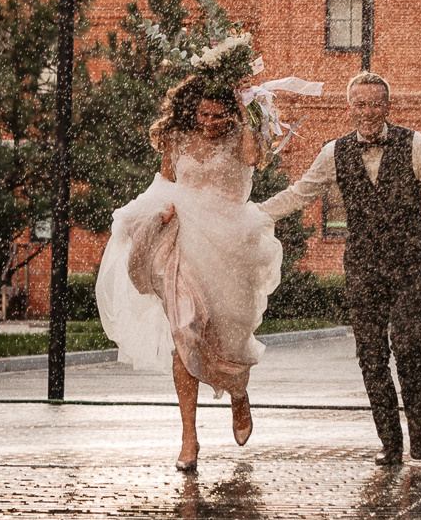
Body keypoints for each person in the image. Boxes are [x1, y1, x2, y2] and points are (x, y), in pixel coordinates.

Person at [257, 71, 421, 464]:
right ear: (350, 108)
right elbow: (299, 194)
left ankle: (418, 423)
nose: (369, 111)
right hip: (363, 264)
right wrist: (252, 215)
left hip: (410, 261)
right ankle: (390, 443)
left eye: (376, 103)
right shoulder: (334, 152)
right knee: (371, 355)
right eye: (361, 104)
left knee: (407, 344)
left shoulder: (414, 144)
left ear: (387, 107)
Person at [96, 75, 282, 473]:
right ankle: (188, 437)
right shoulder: (177, 137)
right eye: (203, 114)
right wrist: (153, 213)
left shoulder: (243, 135)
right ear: (191, 111)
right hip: (186, 241)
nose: (210, 122)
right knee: (186, 330)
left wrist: (247, 109)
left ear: (231, 111)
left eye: (218, 114)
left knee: (229, 334)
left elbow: (252, 158)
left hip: (231, 243)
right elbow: (164, 182)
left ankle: (238, 394)